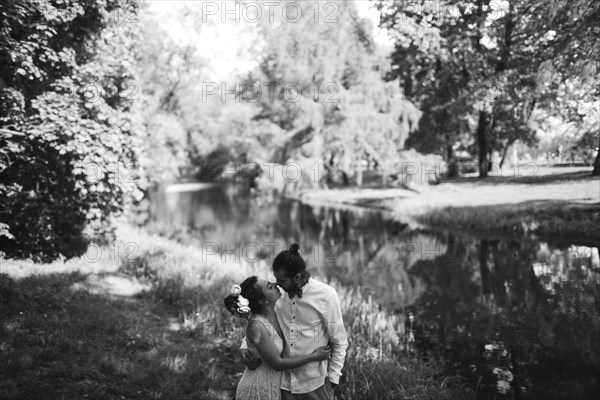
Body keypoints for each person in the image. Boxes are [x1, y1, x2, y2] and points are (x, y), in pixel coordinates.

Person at [242, 243, 349, 400]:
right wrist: (245, 348)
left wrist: (332, 379)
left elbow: (339, 341)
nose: (277, 284)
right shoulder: (276, 298)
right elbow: (263, 325)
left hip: (315, 383)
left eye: (282, 281)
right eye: (276, 280)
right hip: (284, 385)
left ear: (297, 277)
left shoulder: (326, 296)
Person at [225, 276, 332, 400]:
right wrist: (314, 356)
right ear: (262, 300)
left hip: (276, 386)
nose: (276, 285)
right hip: (257, 389)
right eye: (270, 286)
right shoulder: (257, 324)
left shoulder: (278, 310)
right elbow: (277, 363)